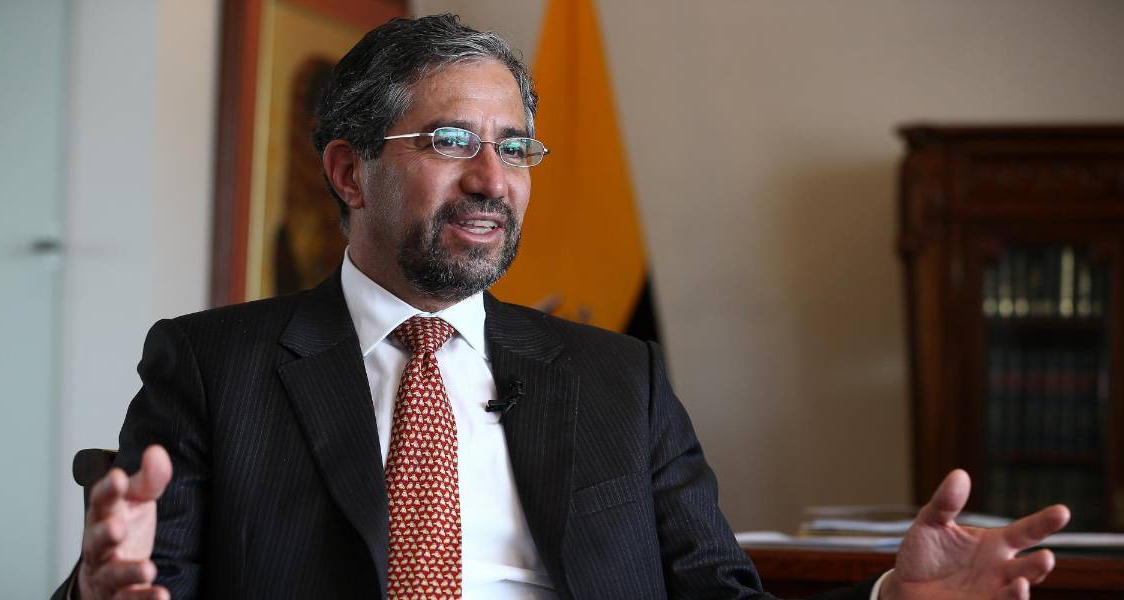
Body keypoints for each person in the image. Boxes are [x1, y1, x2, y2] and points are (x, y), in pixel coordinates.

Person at [58, 14, 1070, 600]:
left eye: (515, 148)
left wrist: (893, 596)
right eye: (452, 143)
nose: (492, 180)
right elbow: (138, 580)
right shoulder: (214, 366)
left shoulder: (618, 378)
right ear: (349, 172)